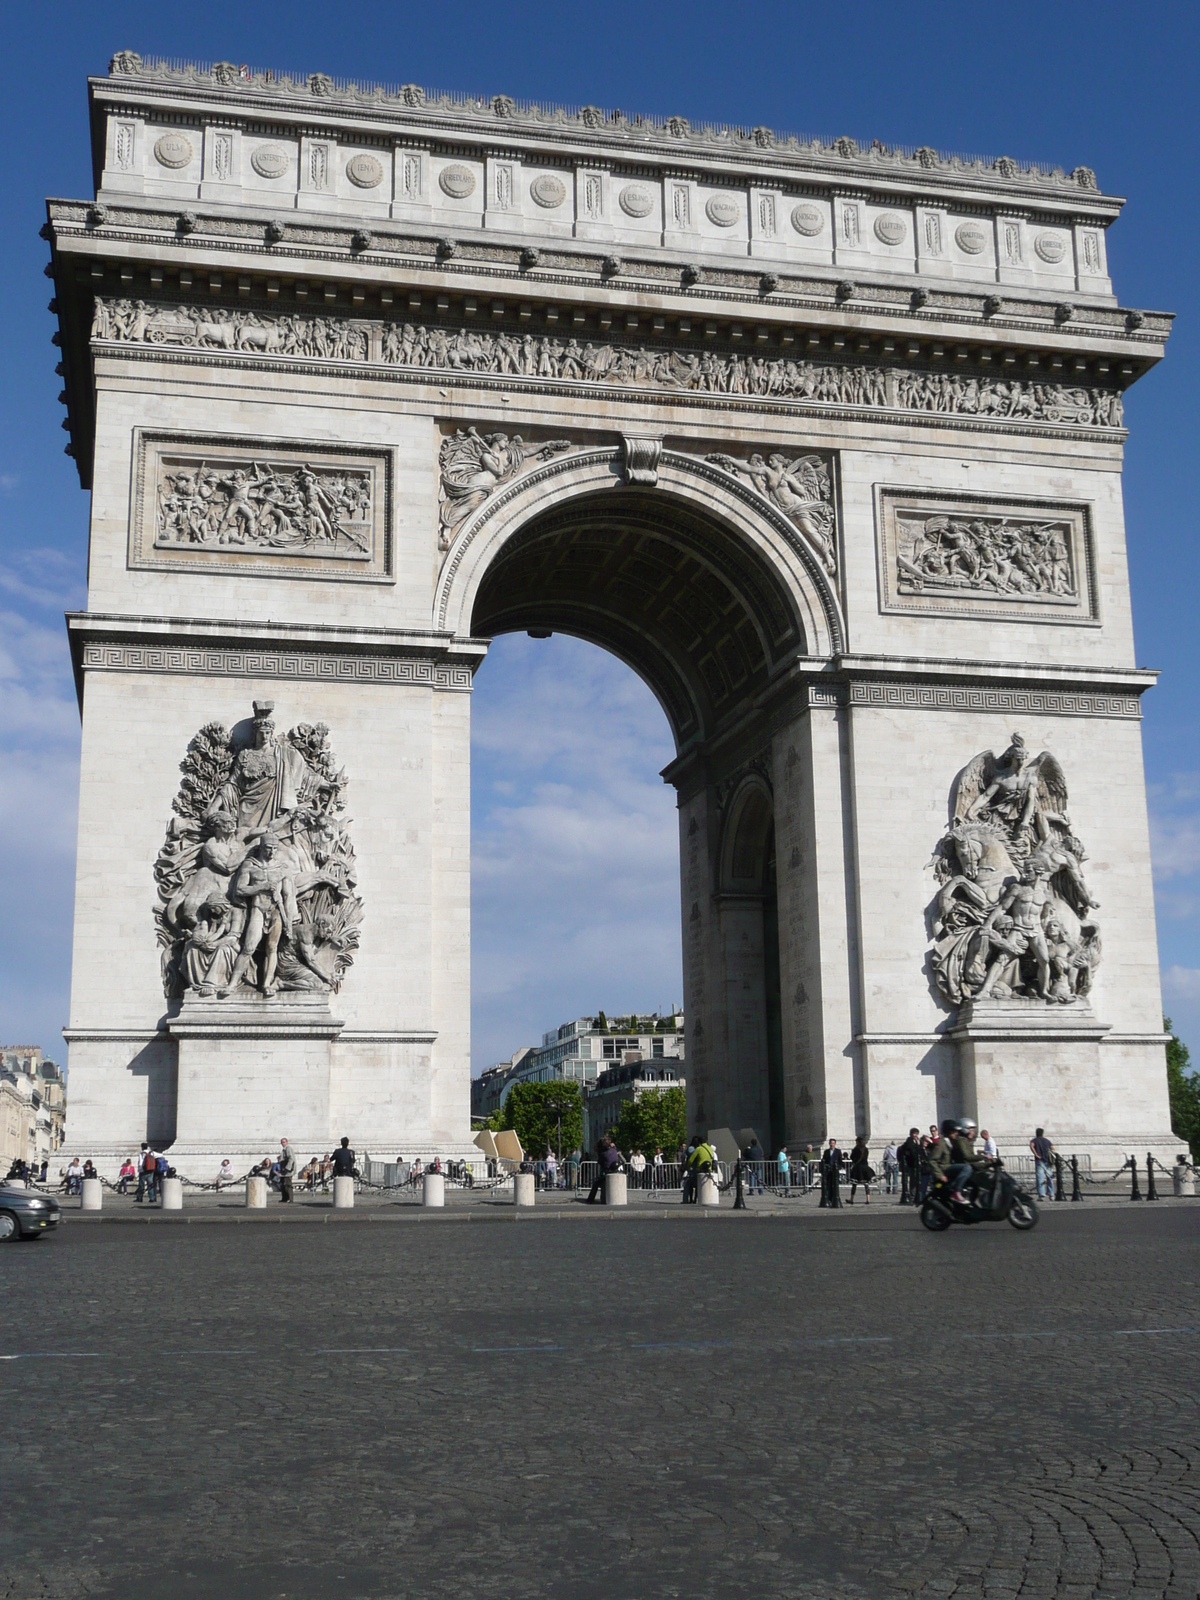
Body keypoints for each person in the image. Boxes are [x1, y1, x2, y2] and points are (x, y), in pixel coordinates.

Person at [682, 1136, 716, 1204]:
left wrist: (687, 1166)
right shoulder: (710, 1149)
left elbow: (691, 1160)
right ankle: (696, 1199)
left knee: (691, 1183)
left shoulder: (698, 1149)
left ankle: (691, 1199)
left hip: (700, 1169)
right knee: (698, 1186)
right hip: (708, 1169)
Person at [926, 1122, 956, 1198]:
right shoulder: (941, 1143)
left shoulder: (952, 1143)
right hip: (942, 1176)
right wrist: (940, 1175)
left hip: (949, 1175)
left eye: (934, 1130)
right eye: (953, 1131)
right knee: (939, 1190)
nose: (956, 1134)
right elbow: (932, 1160)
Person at [848, 1137, 874, 1204]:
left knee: (854, 1184)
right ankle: (868, 1199)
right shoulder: (866, 1149)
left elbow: (852, 1157)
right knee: (866, 1184)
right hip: (865, 1167)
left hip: (858, 1168)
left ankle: (852, 1199)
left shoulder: (856, 1149)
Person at [1030, 1127, 1054, 1198]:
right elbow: (1052, 1148)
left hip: (1039, 1160)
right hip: (1048, 1160)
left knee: (1040, 1177)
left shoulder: (1034, 1140)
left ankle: (1041, 1193)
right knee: (1049, 1177)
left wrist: (1036, 1154)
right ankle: (1051, 1193)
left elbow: (1031, 1146)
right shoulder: (1047, 1140)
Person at [819, 1139, 843, 1208]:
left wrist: (838, 1167)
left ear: (835, 1144)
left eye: (833, 1143)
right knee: (828, 1186)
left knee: (835, 1185)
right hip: (828, 1171)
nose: (832, 1144)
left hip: (835, 1171)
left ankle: (834, 1199)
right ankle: (829, 1199)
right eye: (831, 1143)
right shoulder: (826, 1152)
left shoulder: (838, 1151)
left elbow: (840, 1161)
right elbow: (823, 1160)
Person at [278, 1137, 296, 1204]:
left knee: (288, 1184)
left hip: (287, 1170)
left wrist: (287, 1168)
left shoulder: (288, 1149)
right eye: (282, 1142)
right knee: (283, 1184)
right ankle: (284, 1198)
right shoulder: (284, 1150)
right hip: (283, 1170)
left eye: (284, 1142)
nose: (283, 1143)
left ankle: (290, 1199)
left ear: (287, 1142)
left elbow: (291, 1158)